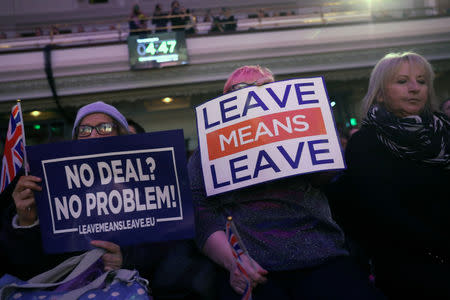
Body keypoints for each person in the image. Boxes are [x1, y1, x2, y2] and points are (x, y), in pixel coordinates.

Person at [187, 65, 386, 300]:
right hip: (254, 269)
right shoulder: (207, 154)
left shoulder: (303, 130)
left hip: (323, 258)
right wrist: (234, 263)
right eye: (241, 89)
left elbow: (328, 179)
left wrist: (319, 142)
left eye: (265, 87)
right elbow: (203, 215)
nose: (255, 95)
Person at [328, 52, 450, 299]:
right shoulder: (365, 142)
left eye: (421, 81)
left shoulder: (445, 132)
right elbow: (381, 212)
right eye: (402, 82)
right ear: (381, 93)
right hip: (409, 269)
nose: (414, 88)